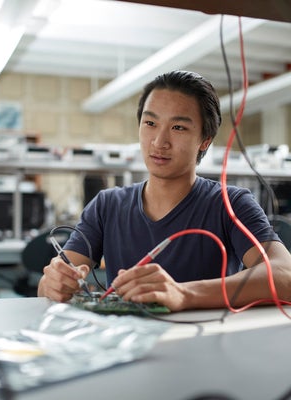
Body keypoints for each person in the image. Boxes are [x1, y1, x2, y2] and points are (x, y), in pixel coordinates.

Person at [38, 70, 291, 311]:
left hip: (206, 344)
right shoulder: (107, 205)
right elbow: (50, 285)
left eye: (178, 127)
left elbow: (285, 275)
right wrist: (54, 283)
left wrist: (183, 294)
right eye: (150, 123)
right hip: (128, 345)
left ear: (205, 140)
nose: (159, 142)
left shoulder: (230, 203)